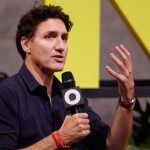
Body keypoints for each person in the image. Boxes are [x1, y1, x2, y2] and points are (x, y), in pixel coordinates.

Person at [0, 5, 135, 150]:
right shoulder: (7, 93)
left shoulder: (69, 94)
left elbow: (112, 146)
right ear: (26, 44)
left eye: (64, 38)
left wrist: (126, 101)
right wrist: (59, 139)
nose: (60, 46)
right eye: (49, 36)